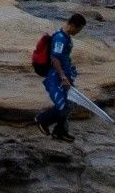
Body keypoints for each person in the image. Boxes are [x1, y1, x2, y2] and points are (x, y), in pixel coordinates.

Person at [29, 11, 88, 142]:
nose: (78, 32)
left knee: (70, 103)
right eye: (79, 29)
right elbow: (54, 58)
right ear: (73, 25)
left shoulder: (66, 37)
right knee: (63, 105)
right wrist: (62, 76)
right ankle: (42, 120)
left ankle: (60, 131)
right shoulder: (60, 38)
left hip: (65, 74)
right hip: (57, 76)